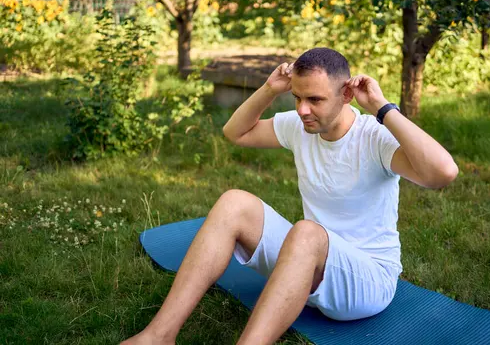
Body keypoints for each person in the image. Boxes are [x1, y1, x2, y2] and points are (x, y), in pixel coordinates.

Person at [122, 47, 458, 345]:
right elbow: (235, 133)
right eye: (297, 97)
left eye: (315, 100)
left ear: (346, 95)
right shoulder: (301, 126)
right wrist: (270, 89)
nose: (302, 110)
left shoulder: (374, 138)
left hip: (366, 283)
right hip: (304, 268)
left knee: (306, 232)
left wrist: (383, 108)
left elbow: (443, 173)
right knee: (234, 202)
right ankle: (158, 336)